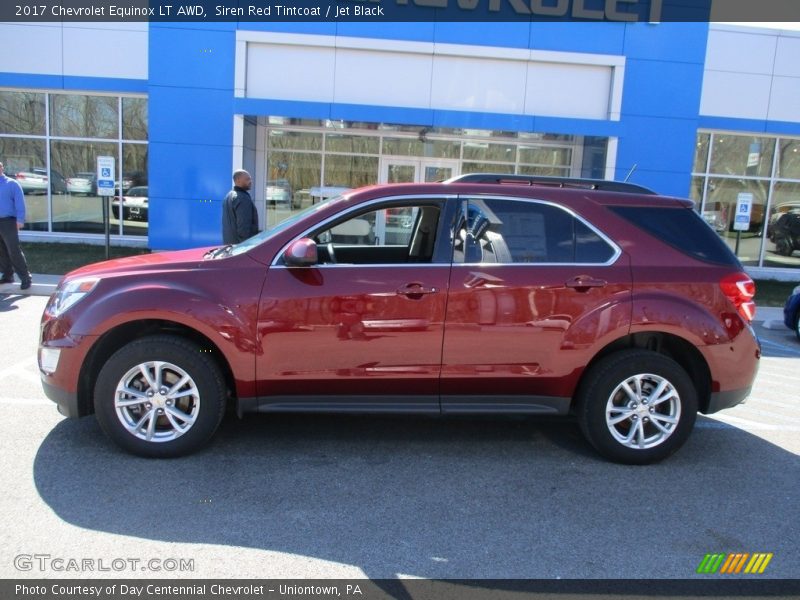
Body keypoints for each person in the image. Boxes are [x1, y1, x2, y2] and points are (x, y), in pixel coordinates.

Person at [0, 161, 32, 290]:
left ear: (1, 168)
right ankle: (8, 275)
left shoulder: (12, 184)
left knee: (13, 250)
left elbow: (20, 203)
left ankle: (25, 277)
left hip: (9, 221)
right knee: (1, 251)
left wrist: (20, 220)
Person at [221, 169, 259, 244]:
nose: (250, 181)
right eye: (247, 179)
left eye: (250, 179)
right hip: (240, 248)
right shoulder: (242, 198)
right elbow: (243, 227)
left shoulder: (228, 196)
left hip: (229, 245)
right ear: (238, 180)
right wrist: (246, 246)